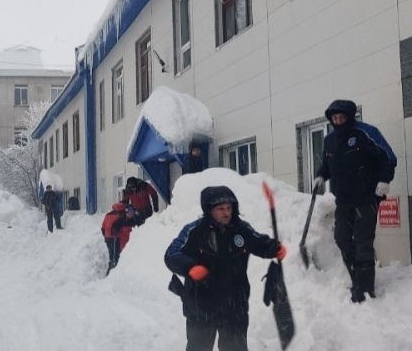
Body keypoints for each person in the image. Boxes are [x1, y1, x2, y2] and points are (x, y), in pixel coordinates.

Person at [165, 186, 286, 351]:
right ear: (209, 210)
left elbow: (260, 243)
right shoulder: (194, 231)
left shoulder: (241, 229)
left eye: (229, 208)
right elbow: (172, 254)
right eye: (220, 208)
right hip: (201, 305)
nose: (226, 213)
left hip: (234, 306)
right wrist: (190, 267)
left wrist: (273, 248)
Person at [313, 99, 396, 303]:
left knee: (362, 242)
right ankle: (357, 279)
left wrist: (384, 180)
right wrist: (321, 176)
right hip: (343, 200)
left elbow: (388, 157)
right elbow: (327, 164)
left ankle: (365, 291)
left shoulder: (365, 132)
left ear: (350, 117)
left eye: (342, 117)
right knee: (342, 238)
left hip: (366, 197)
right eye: (335, 118)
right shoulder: (329, 140)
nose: (339, 121)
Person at [101, 203, 138, 274]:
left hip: (108, 238)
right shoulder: (120, 217)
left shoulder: (108, 214)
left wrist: (105, 235)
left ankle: (109, 273)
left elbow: (103, 227)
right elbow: (116, 229)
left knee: (112, 257)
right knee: (115, 257)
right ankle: (111, 273)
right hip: (116, 238)